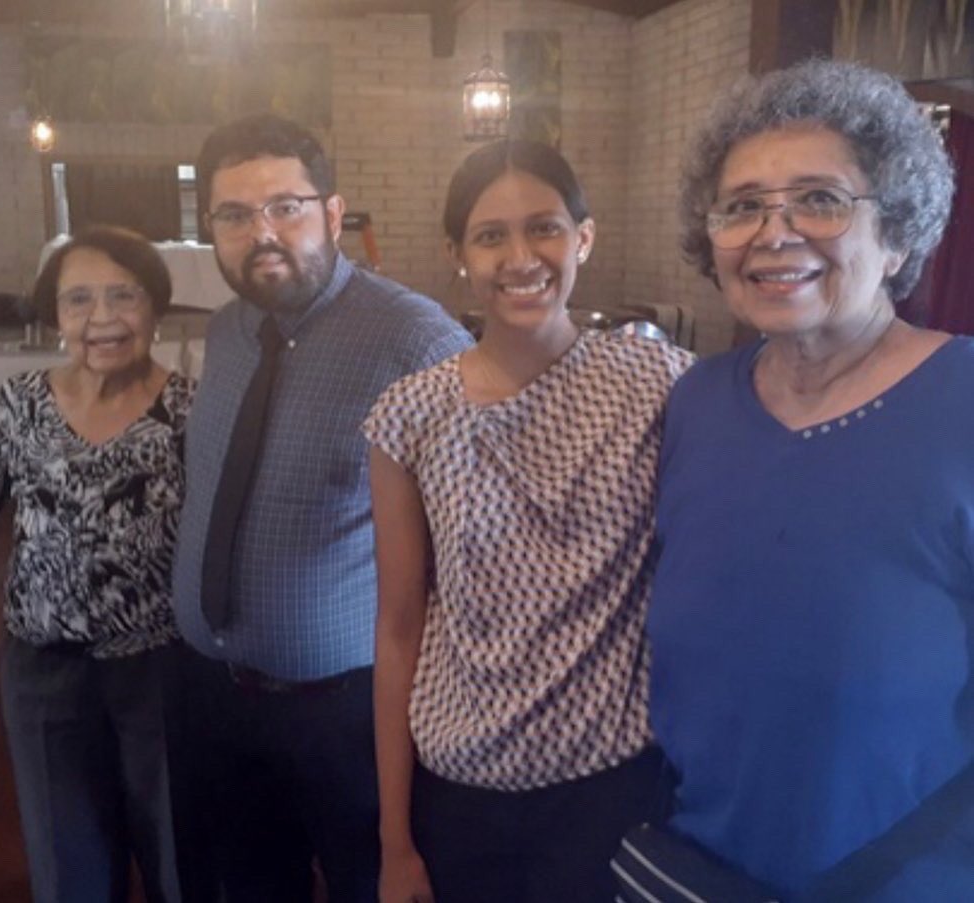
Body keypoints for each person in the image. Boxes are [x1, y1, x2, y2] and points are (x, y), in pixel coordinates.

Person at [644, 58, 974, 900]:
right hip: (696, 865)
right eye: (741, 206)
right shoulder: (697, 400)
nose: (773, 231)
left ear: (896, 228)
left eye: (820, 199)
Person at [363, 139, 693, 903]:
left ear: (583, 236)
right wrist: (394, 839)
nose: (521, 256)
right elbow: (398, 627)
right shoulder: (408, 415)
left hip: (612, 786)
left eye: (543, 226)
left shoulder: (657, 384)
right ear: (457, 254)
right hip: (461, 786)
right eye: (490, 235)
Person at [169, 112, 472, 903]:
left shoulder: (414, 339)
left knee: (364, 880)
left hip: (344, 712)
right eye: (234, 215)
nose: (260, 233)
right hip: (213, 690)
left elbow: (470, 542)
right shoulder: (230, 330)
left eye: (285, 207)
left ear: (332, 215)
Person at [0, 226, 193, 903]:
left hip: (163, 674)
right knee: (67, 867)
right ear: (56, 316)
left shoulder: (191, 409)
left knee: (179, 858)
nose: (101, 319)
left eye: (122, 296)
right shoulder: (15, 407)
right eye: (78, 300)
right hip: (44, 672)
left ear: (154, 308)